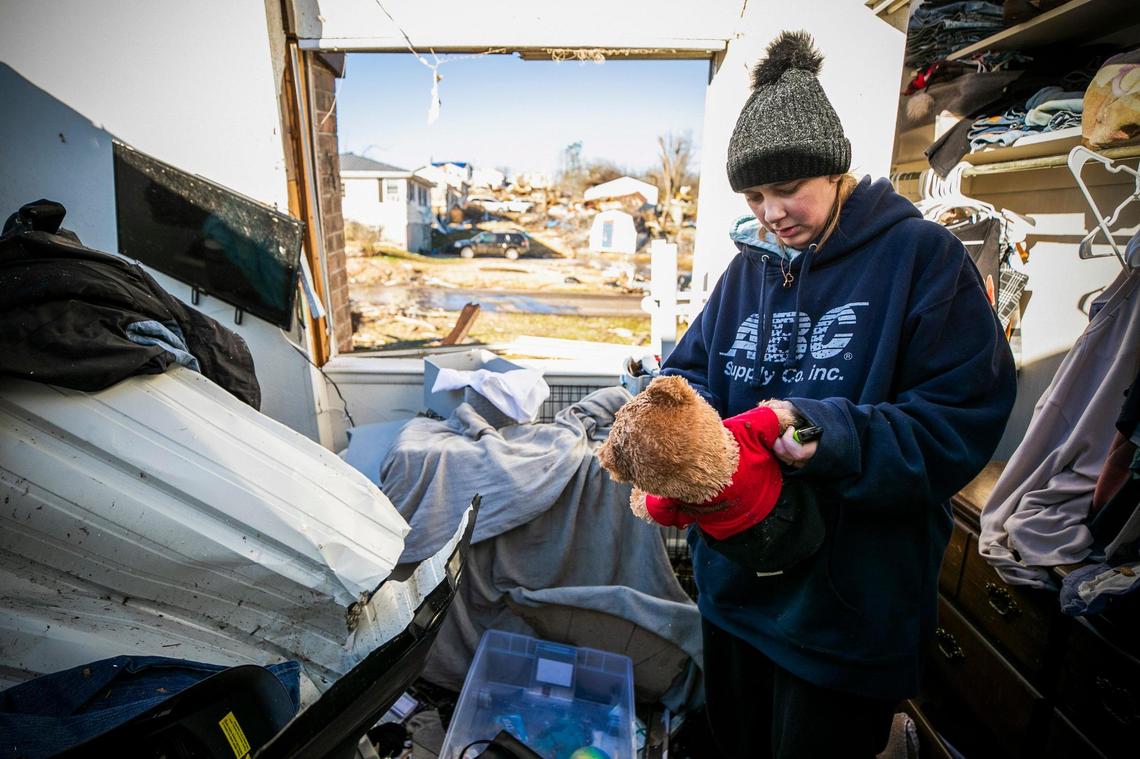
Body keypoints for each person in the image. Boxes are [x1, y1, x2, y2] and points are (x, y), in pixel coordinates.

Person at [658, 30, 1017, 758]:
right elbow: (692, 372)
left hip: (846, 613)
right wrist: (669, 417)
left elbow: (959, 424)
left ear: (835, 170)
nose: (770, 212)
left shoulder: (923, 260)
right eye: (755, 195)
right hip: (735, 598)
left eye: (787, 188)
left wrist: (821, 428)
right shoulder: (746, 274)